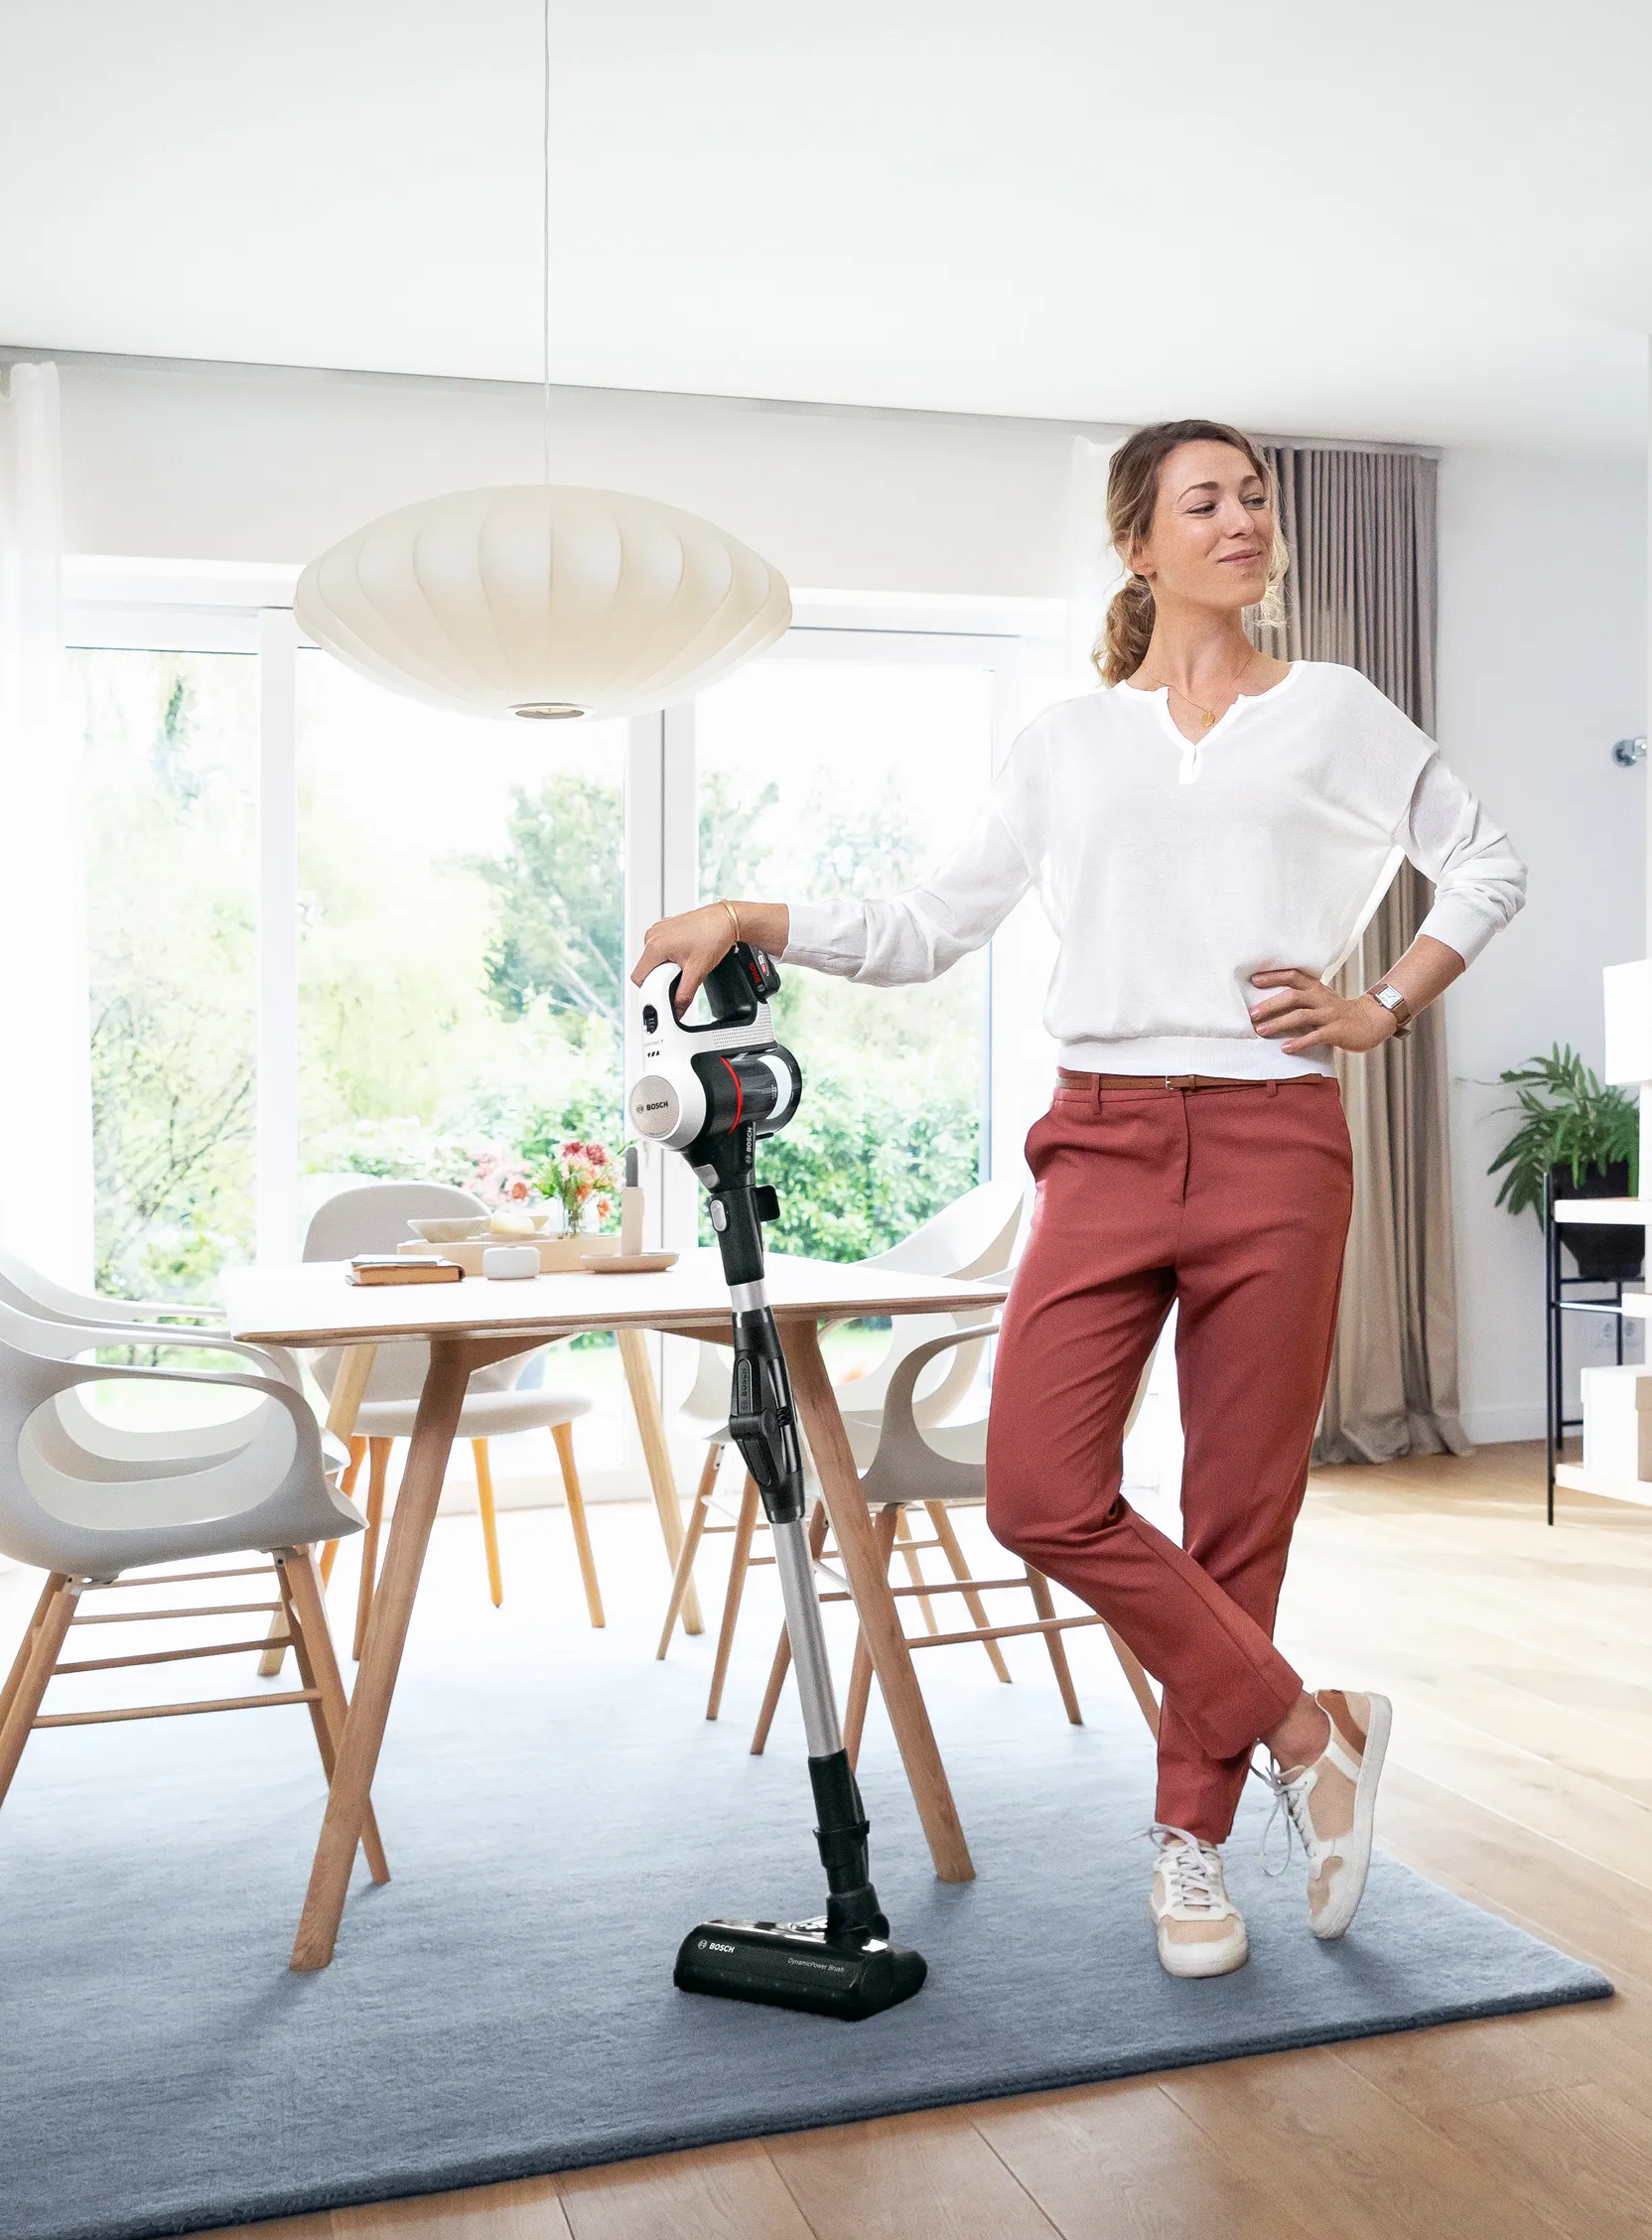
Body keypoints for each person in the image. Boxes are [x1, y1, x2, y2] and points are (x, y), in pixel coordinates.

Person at [630, 420, 1525, 1977]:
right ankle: (1313, 1729)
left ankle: (1192, 1844)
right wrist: (746, 911)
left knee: (1240, 1511)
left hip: (1276, 1138)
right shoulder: (1066, 743)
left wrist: (1381, 1005)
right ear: (1138, 544)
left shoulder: (1332, 710)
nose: (1244, 520)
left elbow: (1487, 864)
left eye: (1257, 498)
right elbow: (924, 925)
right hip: (1100, 1138)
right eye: (1207, 500)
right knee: (1041, 1489)